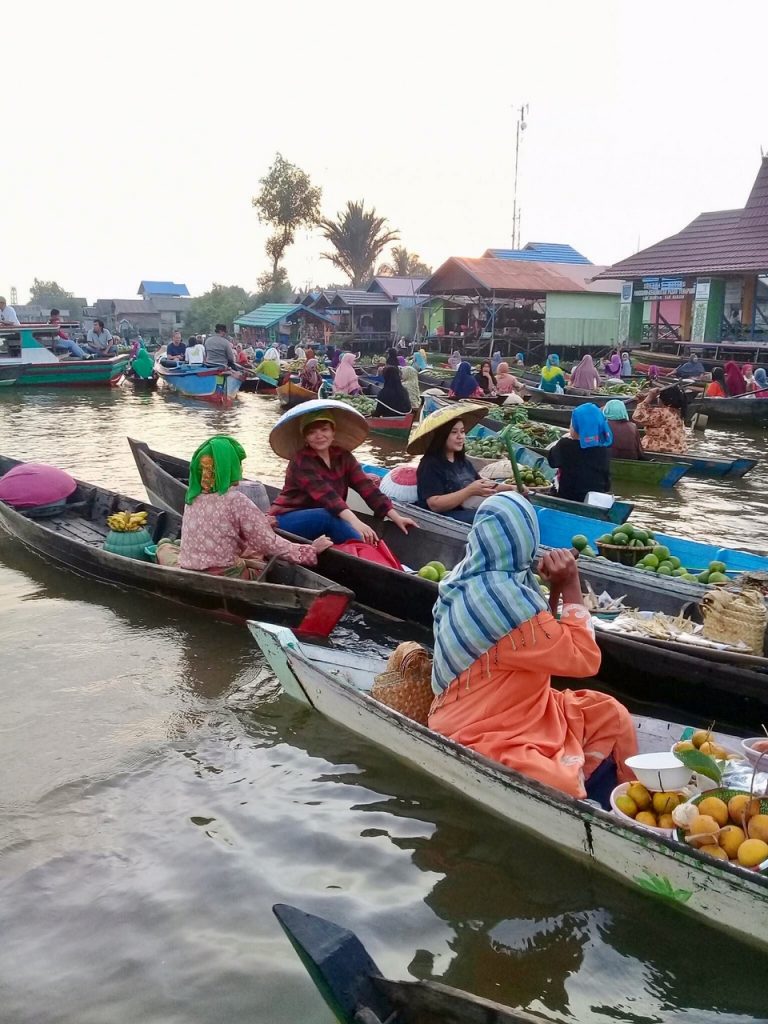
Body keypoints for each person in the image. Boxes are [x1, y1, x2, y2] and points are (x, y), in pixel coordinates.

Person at [428, 493, 637, 800]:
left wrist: (553, 591)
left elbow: (541, 639)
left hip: (523, 707)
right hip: (481, 727)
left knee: (610, 713)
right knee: (562, 784)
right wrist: (571, 584)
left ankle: (623, 796)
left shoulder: (463, 578)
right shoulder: (505, 600)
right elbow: (583, 659)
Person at [178, 435, 331, 578]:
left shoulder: (192, 498)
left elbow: (222, 529)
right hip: (226, 575)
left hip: (189, 569)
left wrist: (261, 523)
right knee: (258, 554)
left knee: (167, 545)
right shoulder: (235, 500)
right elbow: (269, 544)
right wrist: (310, 550)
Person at [269, 407, 417, 543]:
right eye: (312, 432)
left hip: (327, 515)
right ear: (305, 438)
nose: (319, 435)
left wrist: (396, 516)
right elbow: (327, 496)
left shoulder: (343, 456)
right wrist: (355, 522)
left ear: (333, 432)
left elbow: (366, 487)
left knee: (335, 516)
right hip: (287, 519)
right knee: (330, 517)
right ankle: (370, 554)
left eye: (324, 429)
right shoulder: (301, 461)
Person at [412, 412, 516, 524]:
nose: (460, 436)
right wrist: (469, 491)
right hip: (444, 517)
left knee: (513, 503)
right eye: (454, 432)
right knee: (496, 515)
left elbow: (482, 484)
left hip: (465, 509)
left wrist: (512, 488)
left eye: (462, 431)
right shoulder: (430, 464)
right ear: (441, 436)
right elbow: (435, 505)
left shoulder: (462, 461)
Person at [547, 403, 612, 502]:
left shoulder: (565, 444)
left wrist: (562, 439)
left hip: (568, 497)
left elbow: (552, 462)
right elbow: (607, 483)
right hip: (595, 500)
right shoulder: (603, 449)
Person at [632, 385, 688, 453]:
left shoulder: (661, 413)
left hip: (660, 449)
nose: (658, 399)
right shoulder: (677, 412)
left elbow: (637, 416)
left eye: (659, 397)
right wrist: (642, 401)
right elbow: (647, 417)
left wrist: (649, 397)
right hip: (677, 449)